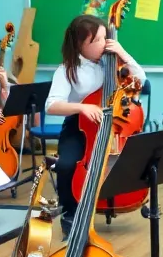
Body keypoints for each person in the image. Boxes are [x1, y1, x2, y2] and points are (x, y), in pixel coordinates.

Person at [44, 15, 145, 237]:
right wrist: (81, 108)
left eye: (105, 38)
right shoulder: (67, 69)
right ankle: (70, 212)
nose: (104, 44)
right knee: (68, 164)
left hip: (116, 125)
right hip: (80, 126)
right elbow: (51, 105)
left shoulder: (115, 63)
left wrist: (122, 52)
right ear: (80, 45)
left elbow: (140, 80)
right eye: (97, 40)